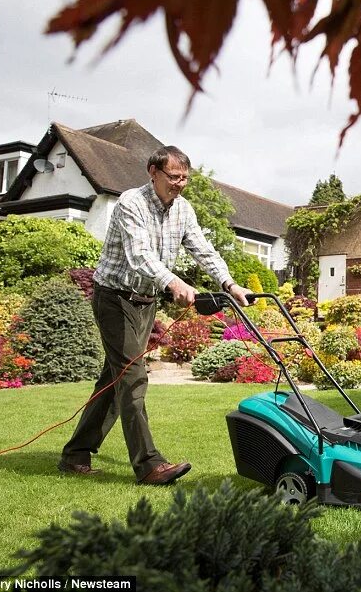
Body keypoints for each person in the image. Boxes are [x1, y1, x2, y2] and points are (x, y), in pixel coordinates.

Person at [58, 145, 250, 485]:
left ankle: (75, 454)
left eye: (184, 179)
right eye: (173, 177)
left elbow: (203, 249)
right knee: (132, 377)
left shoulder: (184, 210)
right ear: (153, 172)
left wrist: (230, 283)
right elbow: (140, 256)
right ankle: (149, 465)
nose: (179, 184)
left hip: (146, 302)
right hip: (114, 298)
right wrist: (174, 281)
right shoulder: (131, 203)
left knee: (114, 381)